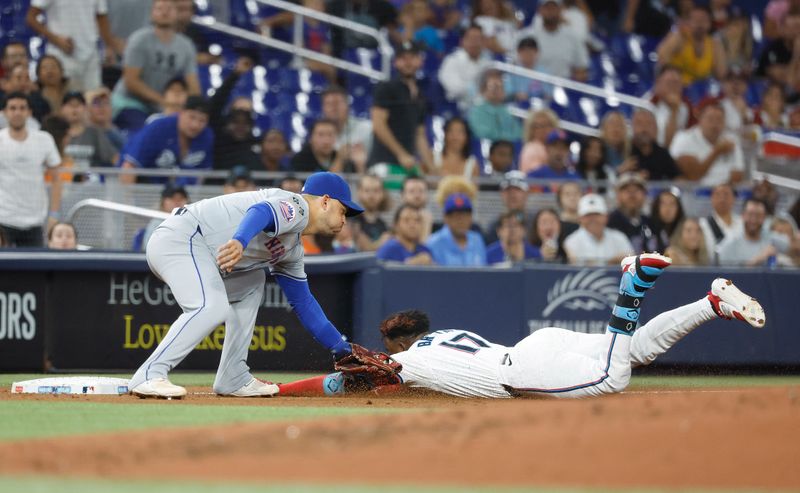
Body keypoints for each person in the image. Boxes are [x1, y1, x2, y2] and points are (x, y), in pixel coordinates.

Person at [278, 254, 766, 399]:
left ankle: (631, 287)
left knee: (614, 378)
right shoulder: (447, 335)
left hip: (523, 370)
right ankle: (710, 303)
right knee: (633, 349)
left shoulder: (406, 360)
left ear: (398, 342)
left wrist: (280, 389)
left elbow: (339, 381)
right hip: (536, 346)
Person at [128, 171, 372, 398]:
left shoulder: (293, 249)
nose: (344, 219)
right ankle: (149, 374)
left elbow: (303, 303)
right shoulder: (298, 206)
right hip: (182, 237)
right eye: (343, 210)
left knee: (253, 281)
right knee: (211, 307)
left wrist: (341, 348)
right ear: (326, 201)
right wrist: (239, 240)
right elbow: (261, 211)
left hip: (198, 249)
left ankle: (232, 376)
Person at [112, 0, 201, 133]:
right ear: (151, 14)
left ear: (177, 13)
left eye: (169, 8)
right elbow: (131, 82)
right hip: (130, 103)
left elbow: (193, 85)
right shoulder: (139, 39)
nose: (164, 12)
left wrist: (193, 107)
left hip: (163, 107)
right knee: (147, 133)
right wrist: (164, 102)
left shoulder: (186, 46)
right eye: (159, 8)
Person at [0, 92, 62, 247]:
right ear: (5, 113)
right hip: (3, 218)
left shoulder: (44, 139)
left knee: (34, 269)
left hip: (35, 220)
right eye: (12, 108)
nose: (17, 112)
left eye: (22, 108)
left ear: (29, 112)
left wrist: (54, 214)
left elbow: (57, 178)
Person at [367, 41, 432, 187]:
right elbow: (378, 124)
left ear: (420, 61)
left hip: (407, 166)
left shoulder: (420, 95)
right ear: (395, 62)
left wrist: (433, 169)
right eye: (403, 58)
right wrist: (401, 154)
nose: (408, 62)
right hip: (384, 163)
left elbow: (420, 135)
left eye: (412, 57)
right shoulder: (386, 87)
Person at [118, 96, 213, 185]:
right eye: (192, 117)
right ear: (181, 112)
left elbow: (201, 175)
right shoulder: (158, 128)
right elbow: (129, 165)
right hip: (142, 186)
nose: (195, 125)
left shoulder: (206, 136)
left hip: (178, 193)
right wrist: (128, 201)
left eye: (202, 120)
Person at [26, 0, 117, 92]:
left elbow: (101, 17)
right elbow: (31, 18)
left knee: (93, 98)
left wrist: (109, 47)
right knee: (63, 98)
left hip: (90, 54)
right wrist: (56, 40)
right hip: (60, 55)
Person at [669, 100, 745, 187]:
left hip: (723, 191)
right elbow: (693, 176)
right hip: (692, 193)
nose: (715, 124)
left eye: (719, 119)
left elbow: (737, 176)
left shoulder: (731, 140)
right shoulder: (683, 139)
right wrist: (717, 151)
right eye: (710, 119)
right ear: (700, 119)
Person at [517, 0, 589, 82]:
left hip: (564, 86)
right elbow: (515, 67)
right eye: (546, 7)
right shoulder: (525, 36)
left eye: (553, 7)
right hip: (533, 86)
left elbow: (581, 68)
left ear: (560, 9)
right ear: (539, 10)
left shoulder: (573, 37)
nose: (550, 11)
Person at [655, 4, 726, 84]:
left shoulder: (714, 44)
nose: (700, 24)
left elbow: (721, 75)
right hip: (678, 86)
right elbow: (661, 57)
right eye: (696, 20)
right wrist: (676, 35)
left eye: (703, 20)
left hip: (701, 90)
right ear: (688, 22)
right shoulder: (680, 36)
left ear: (710, 23)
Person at [716, 198, 790, 267]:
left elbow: (792, 247)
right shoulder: (730, 243)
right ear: (743, 215)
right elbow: (727, 277)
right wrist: (758, 259)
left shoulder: (771, 238)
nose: (754, 220)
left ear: (764, 218)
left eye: (758, 215)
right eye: (750, 214)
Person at [564, 193, 634, 266]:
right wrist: (610, 262)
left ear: (606, 217)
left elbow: (632, 263)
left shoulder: (619, 237)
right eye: (588, 215)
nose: (593, 219)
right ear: (580, 219)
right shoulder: (571, 241)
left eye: (597, 214)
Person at [61, 91, 118, 175]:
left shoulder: (94, 133)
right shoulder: (56, 132)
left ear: (85, 108)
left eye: (78, 105)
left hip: (91, 182)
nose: (74, 109)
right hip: (64, 181)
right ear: (62, 108)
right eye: (70, 105)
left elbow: (114, 158)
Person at [437, 25, 491, 111]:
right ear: (462, 41)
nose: (474, 42)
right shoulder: (452, 60)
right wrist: (479, 90)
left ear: (483, 42)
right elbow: (455, 89)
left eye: (478, 39)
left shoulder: (487, 64)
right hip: (457, 108)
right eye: (471, 38)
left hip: (483, 108)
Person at [426, 193, 487, 267]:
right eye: (456, 217)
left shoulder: (477, 239)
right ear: (446, 218)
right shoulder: (433, 243)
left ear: (471, 217)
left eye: (465, 216)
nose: (461, 221)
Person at [321, 85, 372, 173]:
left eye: (337, 103)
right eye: (329, 104)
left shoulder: (367, 128)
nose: (334, 108)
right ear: (323, 108)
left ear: (348, 106)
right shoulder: (318, 133)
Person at [619, 109, 680, 181]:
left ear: (656, 128)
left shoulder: (662, 154)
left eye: (649, 123)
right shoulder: (622, 150)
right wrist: (621, 173)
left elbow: (677, 179)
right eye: (639, 123)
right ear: (632, 126)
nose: (644, 128)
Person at [607, 173, 658, 255]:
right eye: (627, 190)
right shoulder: (609, 222)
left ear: (644, 195)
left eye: (637, 190)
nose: (632, 194)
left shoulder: (651, 223)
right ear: (618, 195)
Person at [466, 70, 521, 143]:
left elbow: (518, 133)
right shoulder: (476, 111)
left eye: (500, 87)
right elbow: (481, 133)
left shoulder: (506, 111)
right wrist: (502, 138)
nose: (497, 91)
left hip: (508, 148)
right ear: (483, 90)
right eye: (493, 87)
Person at [649, 65, 694, 148]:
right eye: (669, 83)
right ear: (658, 84)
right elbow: (666, 145)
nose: (673, 88)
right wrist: (674, 111)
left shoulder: (687, 108)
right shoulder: (648, 108)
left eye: (676, 83)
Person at [136, 184, 190, 252]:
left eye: (181, 198)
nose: (177, 202)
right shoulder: (156, 223)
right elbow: (150, 251)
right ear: (163, 202)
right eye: (172, 198)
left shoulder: (194, 222)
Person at [485, 170, 531, 245]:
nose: (512, 195)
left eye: (517, 190)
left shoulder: (536, 223)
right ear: (501, 194)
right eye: (508, 190)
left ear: (527, 193)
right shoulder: (494, 226)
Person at [698, 182, 742, 258]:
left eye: (726, 194)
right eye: (718, 195)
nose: (722, 199)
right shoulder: (702, 224)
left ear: (734, 198)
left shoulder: (743, 223)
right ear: (711, 198)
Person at [350, 174, 391, 252]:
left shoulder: (384, 225)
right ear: (359, 192)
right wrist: (381, 242)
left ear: (382, 194)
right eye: (367, 190)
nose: (371, 195)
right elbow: (366, 249)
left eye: (376, 191)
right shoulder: (352, 220)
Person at [505, 37, 551, 104]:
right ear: (518, 52)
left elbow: (549, 95)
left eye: (530, 52)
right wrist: (517, 95)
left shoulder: (544, 72)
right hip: (517, 107)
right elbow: (508, 92)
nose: (527, 55)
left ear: (537, 52)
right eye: (524, 52)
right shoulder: (512, 72)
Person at [85, 86, 125, 153]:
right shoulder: (81, 136)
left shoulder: (119, 136)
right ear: (86, 108)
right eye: (96, 103)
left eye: (106, 103)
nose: (102, 107)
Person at [518, 109, 559, 174]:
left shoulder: (558, 148)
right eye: (539, 126)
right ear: (532, 130)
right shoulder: (531, 149)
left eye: (548, 125)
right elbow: (537, 175)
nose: (544, 129)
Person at [650, 189, 685, 253]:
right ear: (656, 207)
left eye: (672, 204)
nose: (668, 208)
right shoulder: (647, 229)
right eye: (663, 204)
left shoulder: (686, 230)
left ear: (679, 208)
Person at [400, 175, 433, 240]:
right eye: (412, 191)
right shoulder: (396, 226)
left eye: (421, 191)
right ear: (403, 195)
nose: (417, 196)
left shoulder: (437, 228)